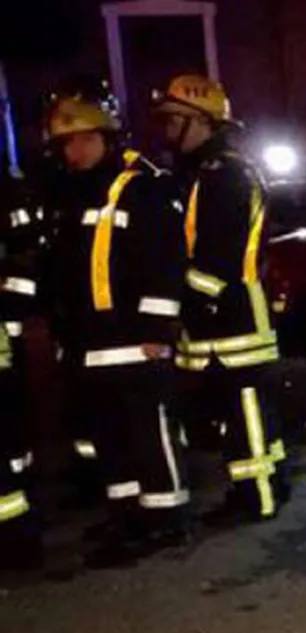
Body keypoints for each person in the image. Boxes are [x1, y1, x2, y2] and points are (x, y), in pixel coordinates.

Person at [42, 79, 192, 564]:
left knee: (148, 432)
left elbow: (165, 261)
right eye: (67, 142)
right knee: (108, 436)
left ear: (108, 138)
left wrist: (156, 330)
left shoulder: (142, 188)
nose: (75, 149)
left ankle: (166, 517)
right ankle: (127, 514)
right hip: (89, 341)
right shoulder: (71, 195)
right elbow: (63, 270)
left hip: (134, 340)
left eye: (84, 139)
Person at [153, 75, 290, 523]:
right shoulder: (200, 173)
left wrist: (183, 300)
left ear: (202, 121)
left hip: (232, 316)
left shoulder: (225, 175)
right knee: (246, 407)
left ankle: (258, 496)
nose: (167, 130)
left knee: (245, 404)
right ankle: (271, 482)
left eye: (174, 120)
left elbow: (219, 259)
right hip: (221, 314)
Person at [0, 172, 41, 570]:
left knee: (9, 449)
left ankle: (18, 540)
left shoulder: (9, 193)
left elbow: (25, 256)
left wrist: (12, 315)